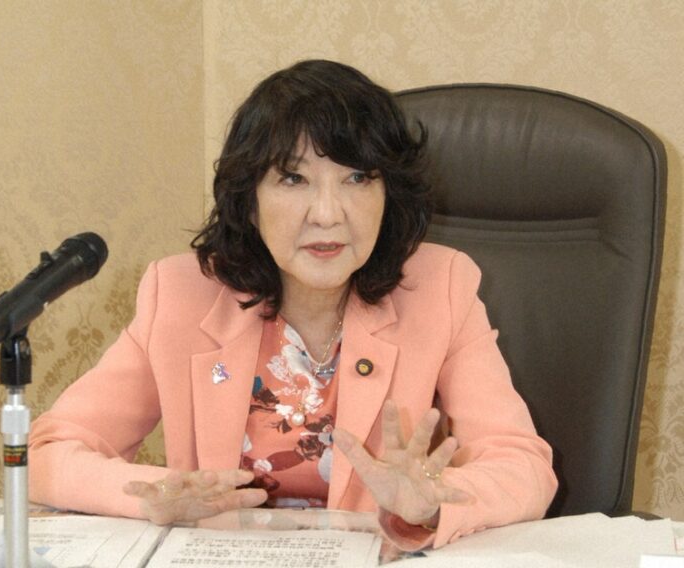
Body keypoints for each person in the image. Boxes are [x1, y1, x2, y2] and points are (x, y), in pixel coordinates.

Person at [29, 59, 557, 550]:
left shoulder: (440, 288)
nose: (327, 214)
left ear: (388, 197)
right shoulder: (180, 294)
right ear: (249, 201)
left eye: (357, 178)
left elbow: (524, 466)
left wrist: (430, 504)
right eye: (293, 178)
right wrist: (159, 494)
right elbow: (47, 454)